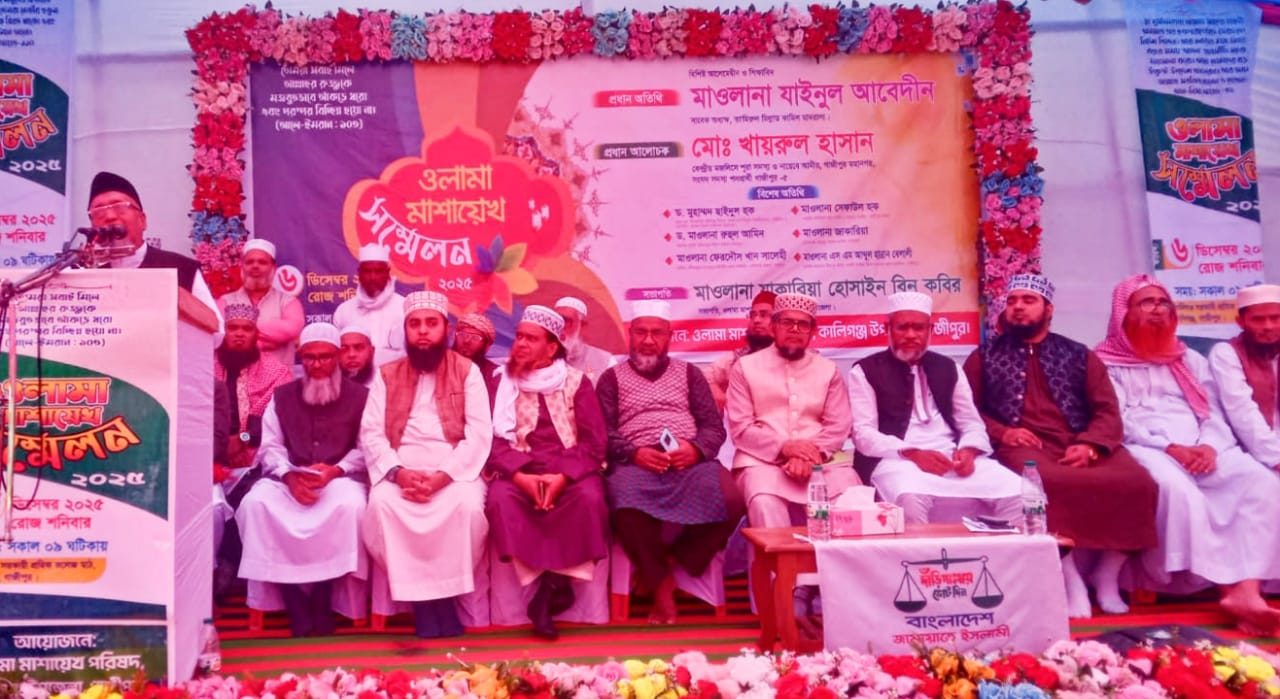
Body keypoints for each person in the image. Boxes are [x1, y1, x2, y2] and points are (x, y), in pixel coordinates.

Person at [963, 275, 1158, 617]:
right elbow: (966, 409)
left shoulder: (1078, 354)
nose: (1018, 307)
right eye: (1012, 301)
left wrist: (1091, 446)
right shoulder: (984, 356)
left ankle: (1107, 574)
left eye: (1028, 301)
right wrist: (1003, 432)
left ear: (1048, 309)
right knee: (1043, 483)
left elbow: (1107, 410)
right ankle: (1071, 581)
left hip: (1079, 442)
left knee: (1137, 482)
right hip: (1023, 446)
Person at [1099, 273, 1280, 635]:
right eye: (1146, 303)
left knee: (1259, 483)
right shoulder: (1105, 361)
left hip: (1202, 445)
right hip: (1146, 447)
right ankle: (1232, 594)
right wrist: (1171, 448)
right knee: (1179, 491)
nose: (1156, 310)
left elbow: (1213, 412)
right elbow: (1118, 420)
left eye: (1162, 303)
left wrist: (1209, 446)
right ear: (1125, 313)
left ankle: (1248, 590)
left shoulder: (1189, 359)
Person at [598, 300, 745, 625]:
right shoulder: (611, 378)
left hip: (687, 459)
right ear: (630, 335)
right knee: (624, 503)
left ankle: (672, 563)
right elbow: (603, 431)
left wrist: (695, 449)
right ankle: (662, 588)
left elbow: (713, 427)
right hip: (636, 461)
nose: (648, 340)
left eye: (657, 333)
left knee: (733, 499)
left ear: (669, 337)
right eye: (641, 332)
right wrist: (633, 452)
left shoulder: (690, 374)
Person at [360, 290, 493, 639]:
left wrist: (441, 478)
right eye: (415, 324)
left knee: (467, 510)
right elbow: (371, 433)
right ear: (405, 330)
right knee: (383, 507)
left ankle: (444, 599)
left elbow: (479, 434)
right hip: (399, 472)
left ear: (445, 329)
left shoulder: (467, 372)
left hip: (455, 473)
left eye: (431, 323)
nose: (422, 331)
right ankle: (423, 603)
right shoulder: (386, 374)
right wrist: (399, 473)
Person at [235, 323, 370, 637]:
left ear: (338, 357)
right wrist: (289, 476)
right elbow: (270, 446)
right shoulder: (282, 396)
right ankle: (292, 597)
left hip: (338, 479)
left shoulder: (362, 397)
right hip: (288, 479)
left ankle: (323, 594)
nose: (317, 364)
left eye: (325, 357)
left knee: (350, 507)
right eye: (310, 357)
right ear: (300, 357)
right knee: (255, 505)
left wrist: (336, 470)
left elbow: (366, 448)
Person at [485, 306, 609, 639]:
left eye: (531, 339)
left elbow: (594, 442)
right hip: (518, 471)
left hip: (570, 471)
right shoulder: (500, 382)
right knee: (500, 500)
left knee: (590, 499)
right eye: (519, 337)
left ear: (552, 347)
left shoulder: (577, 382)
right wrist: (522, 478)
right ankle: (550, 585)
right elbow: (491, 441)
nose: (521, 344)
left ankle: (551, 588)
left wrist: (561, 478)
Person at [850, 291, 1023, 526]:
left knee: (1020, 493)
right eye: (902, 327)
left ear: (930, 330)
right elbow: (863, 434)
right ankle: (923, 552)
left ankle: (1009, 551)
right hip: (898, 460)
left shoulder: (949, 367)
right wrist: (912, 453)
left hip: (951, 456)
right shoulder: (865, 370)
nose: (911, 334)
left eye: (919, 327)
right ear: (887, 329)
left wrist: (969, 450)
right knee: (910, 499)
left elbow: (971, 423)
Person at [725, 292, 859, 527]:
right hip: (761, 462)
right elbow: (741, 428)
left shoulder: (828, 370)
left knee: (850, 500)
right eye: (787, 322)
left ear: (813, 331)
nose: (795, 329)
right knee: (765, 502)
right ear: (773, 326)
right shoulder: (744, 367)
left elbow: (838, 426)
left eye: (803, 324)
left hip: (821, 461)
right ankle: (777, 554)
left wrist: (810, 457)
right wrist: (784, 447)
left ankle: (830, 553)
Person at [212, 303, 293, 589]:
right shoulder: (201, 365)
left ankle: (232, 567)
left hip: (254, 454)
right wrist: (221, 446)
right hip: (208, 453)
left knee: (250, 498)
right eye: (233, 328)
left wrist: (242, 440)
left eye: (246, 329)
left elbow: (275, 420)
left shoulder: (276, 372)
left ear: (256, 334)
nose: (239, 334)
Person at [86, 171, 221, 333]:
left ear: (142, 220)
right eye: (99, 211)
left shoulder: (182, 268)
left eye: (120, 207)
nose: (109, 216)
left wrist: (169, 291)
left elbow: (217, 332)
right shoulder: (82, 275)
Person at [1207, 284, 1280, 469]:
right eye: (1258, 319)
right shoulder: (1226, 354)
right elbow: (1242, 412)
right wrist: (1276, 458)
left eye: (1275, 318)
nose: (1268, 326)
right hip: (1248, 451)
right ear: (1241, 322)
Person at [218, 239, 305, 366]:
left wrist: (242, 336)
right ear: (242, 266)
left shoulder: (289, 302)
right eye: (250, 262)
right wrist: (269, 340)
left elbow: (292, 329)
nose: (255, 266)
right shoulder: (225, 301)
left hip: (279, 377)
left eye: (262, 262)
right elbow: (219, 334)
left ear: (273, 267)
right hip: (237, 375)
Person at [333, 244, 405, 365]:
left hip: (396, 376)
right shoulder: (344, 311)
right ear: (359, 274)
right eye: (367, 271)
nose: (372, 277)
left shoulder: (404, 307)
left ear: (387, 273)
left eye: (378, 271)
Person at [704, 291, 776, 410]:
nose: (756, 320)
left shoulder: (790, 355)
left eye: (763, 315)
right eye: (753, 315)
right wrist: (714, 390)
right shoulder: (738, 358)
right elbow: (705, 374)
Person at [555, 296, 615, 384]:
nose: (560, 327)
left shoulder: (606, 361)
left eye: (567, 321)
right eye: (556, 321)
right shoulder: (539, 357)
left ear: (582, 325)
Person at [453, 312, 501, 398]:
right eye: (462, 334)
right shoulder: (440, 364)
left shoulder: (495, 374)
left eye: (475, 337)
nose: (466, 341)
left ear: (487, 346)